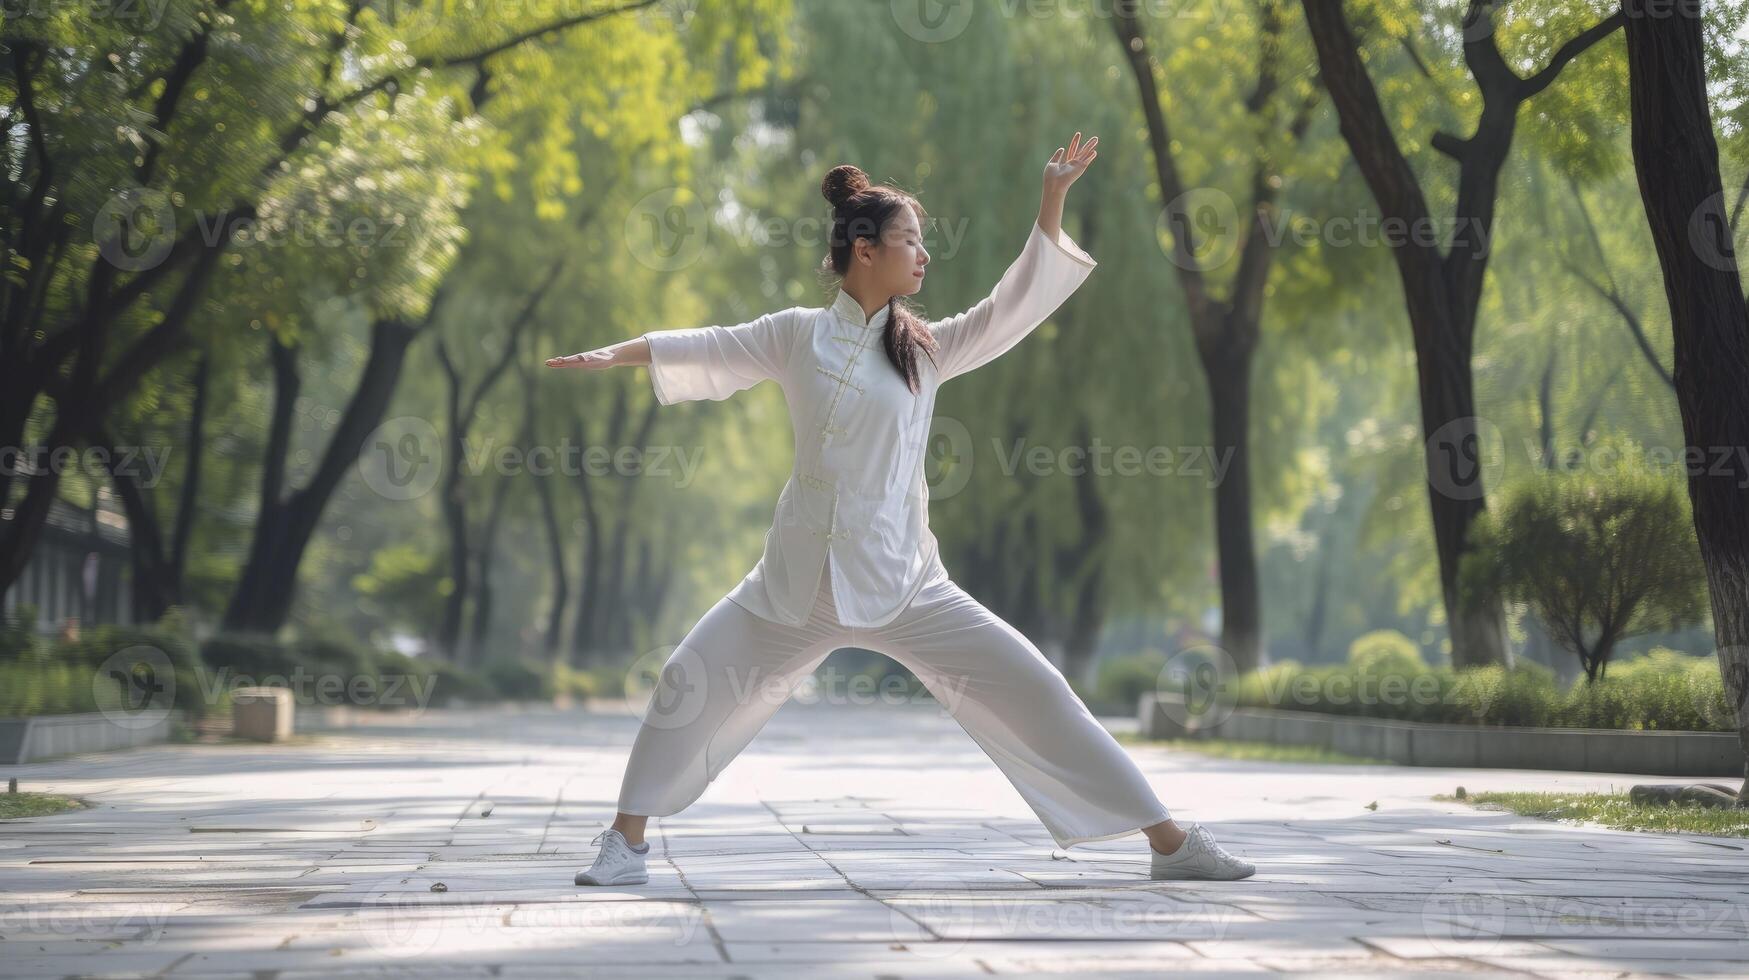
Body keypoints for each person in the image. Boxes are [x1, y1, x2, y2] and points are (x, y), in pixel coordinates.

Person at [546, 133, 1254, 885]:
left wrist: (1051, 200)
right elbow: (708, 343)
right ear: (863, 250)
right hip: (795, 584)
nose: (923, 255)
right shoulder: (795, 335)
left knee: (1036, 688)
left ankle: (1169, 843)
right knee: (686, 678)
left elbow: (1011, 304)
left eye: (922, 242)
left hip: (904, 583)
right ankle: (625, 843)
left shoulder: (928, 349)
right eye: (910, 241)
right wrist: (612, 355)